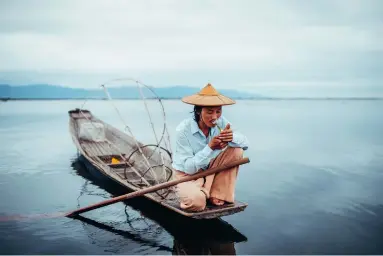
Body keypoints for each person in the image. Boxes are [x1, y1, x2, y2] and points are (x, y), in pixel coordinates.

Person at [172, 83, 249, 212]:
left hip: (210, 170)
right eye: (209, 112)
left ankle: (217, 193)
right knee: (197, 203)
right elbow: (189, 169)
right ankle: (198, 191)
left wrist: (232, 137)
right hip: (187, 175)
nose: (214, 117)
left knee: (237, 150)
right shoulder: (183, 130)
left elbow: (245, 144)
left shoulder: (221, 122)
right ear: (198, 111)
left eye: (218, 111)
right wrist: (210, 148)